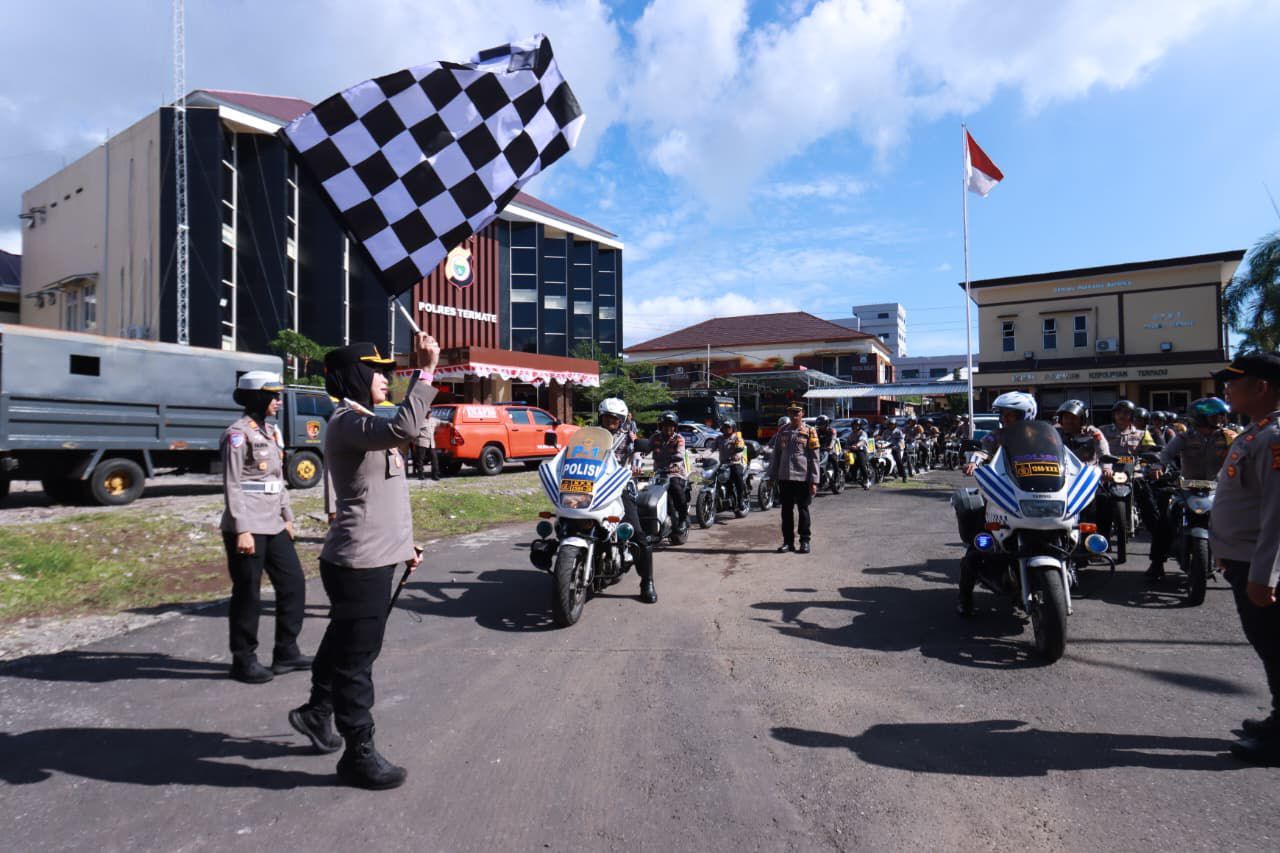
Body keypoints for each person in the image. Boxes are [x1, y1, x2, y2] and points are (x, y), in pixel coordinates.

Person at [288, 336, 438, 791]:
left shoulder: (370, 422)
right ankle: (358, 754)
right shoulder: (349, 422)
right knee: (358, 660)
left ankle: (316, 711)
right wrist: (425, 372)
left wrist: (406, 545)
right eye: (377, 371)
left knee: (342, 644)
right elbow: (407, 430)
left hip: (378, 555)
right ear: (354, 377)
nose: (386, 377)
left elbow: (389, 494)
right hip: (359, 562)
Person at [1208, 353, 1280, 766]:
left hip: (1260, 564)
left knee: (1275, 645)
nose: (1227, 390)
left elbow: (1278, 512)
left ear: (1262, 387)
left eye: (1235, 383)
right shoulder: (1256, 432)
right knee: (1268, 644)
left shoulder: (1274, 437)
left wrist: (1265, 574)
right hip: (1244, 560)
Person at [219, 371, 308, 684]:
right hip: (247, 526)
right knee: (248, 594)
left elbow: (277, 479)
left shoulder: (271, 433)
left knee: (294, 584)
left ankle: (286, 651)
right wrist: (241, 528)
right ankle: (243, 660)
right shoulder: (237, 434)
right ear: (257, 397)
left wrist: (287, 516)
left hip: (273, 523)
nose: (278, 401)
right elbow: (232, 484)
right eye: (273, 396)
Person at [956, 391, 1038, 616]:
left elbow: (1061, 453)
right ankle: (964, 598)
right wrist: (974, 462)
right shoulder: (997, 436)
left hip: (1035, 494)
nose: (1006, 419)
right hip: (1005, 493)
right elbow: (982, 450)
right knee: (978, 547)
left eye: (1012, 415)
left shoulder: (1040, 435)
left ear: (1026, 415)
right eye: (1004, 414)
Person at [1145, 397, 1237, 580]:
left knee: (1236, 521)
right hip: (1187, 487)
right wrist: (1158, 467)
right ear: (1201, 417)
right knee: (1165, 519)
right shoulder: (1184, 437)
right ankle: (1157, 562)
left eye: (1221, 415)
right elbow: (1166, 453)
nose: (1220, 419)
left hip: (1217, 489)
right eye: (1215, 416)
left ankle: (1237, 564)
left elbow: (1243, 454)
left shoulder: (1229, 436)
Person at [598, 397, 657, 604]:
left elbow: (640, 448)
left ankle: (647, 581)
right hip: (592, 487)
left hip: (619, 487)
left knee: (637, 534)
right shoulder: (591, 436)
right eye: (606, 418)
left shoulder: (627, 437)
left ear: (622, 420)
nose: (610, 422)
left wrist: (642, 449)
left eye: (614, 419)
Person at [1055, 399, 1114, 547]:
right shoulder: (1054, 432)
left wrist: (1106, 468)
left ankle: (1098, 542)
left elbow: (1103, 451)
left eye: (1073, 417)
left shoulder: (1094, 433)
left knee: (1104, 499)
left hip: (1086, 480)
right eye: (1066, 417)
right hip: (1059, 478)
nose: (1069, 421)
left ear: (1083, 419)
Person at [768, 403, 819, 553]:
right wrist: (772, 476)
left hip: (802, 477)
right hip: (785, 477)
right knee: (786, 511)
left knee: (803, 509)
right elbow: (776, 455)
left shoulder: (810, 431)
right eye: (791, 412)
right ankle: (788, 542)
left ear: (802, 413)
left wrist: (814, 481)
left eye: (797, 412)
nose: (794, 415)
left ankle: (804, 541)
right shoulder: (783, 431)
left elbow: (814, 458)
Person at [651, 411, 689, 534]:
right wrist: (636, 461)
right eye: (665, 425)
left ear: (675, 427)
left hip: (675, 472)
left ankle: (683, 518)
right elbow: (643, 450)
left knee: (675, 488)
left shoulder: (679, 438)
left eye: (671, 425)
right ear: (660, 426)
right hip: (659, 472)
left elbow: (680, 453)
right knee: (647, 493)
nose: (668, 428)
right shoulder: (655, 438)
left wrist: (674, 463)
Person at [710, 418, 749, 511]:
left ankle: (741, 500)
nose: (726, 429)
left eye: (728, 427)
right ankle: (719, 500)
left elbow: (740, 447)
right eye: (724, 427)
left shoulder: (737, 438)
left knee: (737, 476)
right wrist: (702, 456)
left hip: (735, 463)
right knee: (713, 477)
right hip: (723, 463)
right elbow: (711, 449)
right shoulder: (719, 438)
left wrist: (736, 454)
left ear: (733, 428)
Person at [412, 409, 442, 481]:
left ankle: (435, 475)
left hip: (431, 443)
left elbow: (441, 422)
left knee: (434, 459)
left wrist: (449, 423)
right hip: (422, 442)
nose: (429, 414)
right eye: (427, 413)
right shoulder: (419, 421)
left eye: (430, 413)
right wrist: (414, 440)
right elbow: (414, 431)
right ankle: (421, 475)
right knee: (420, 460)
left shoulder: (433, 420)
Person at [846, 420, 872, 489]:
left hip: (862, 451)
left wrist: (857, 445)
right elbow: (847, 443)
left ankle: (867, 480)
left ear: (860, 426)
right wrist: (847, 447)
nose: (855, 426)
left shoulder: (863, 433)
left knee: (861, 464)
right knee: (848, 461)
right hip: (853, 451)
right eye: (854, 425)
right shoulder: (851, 434)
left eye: (857, 425)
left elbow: (862, 441)